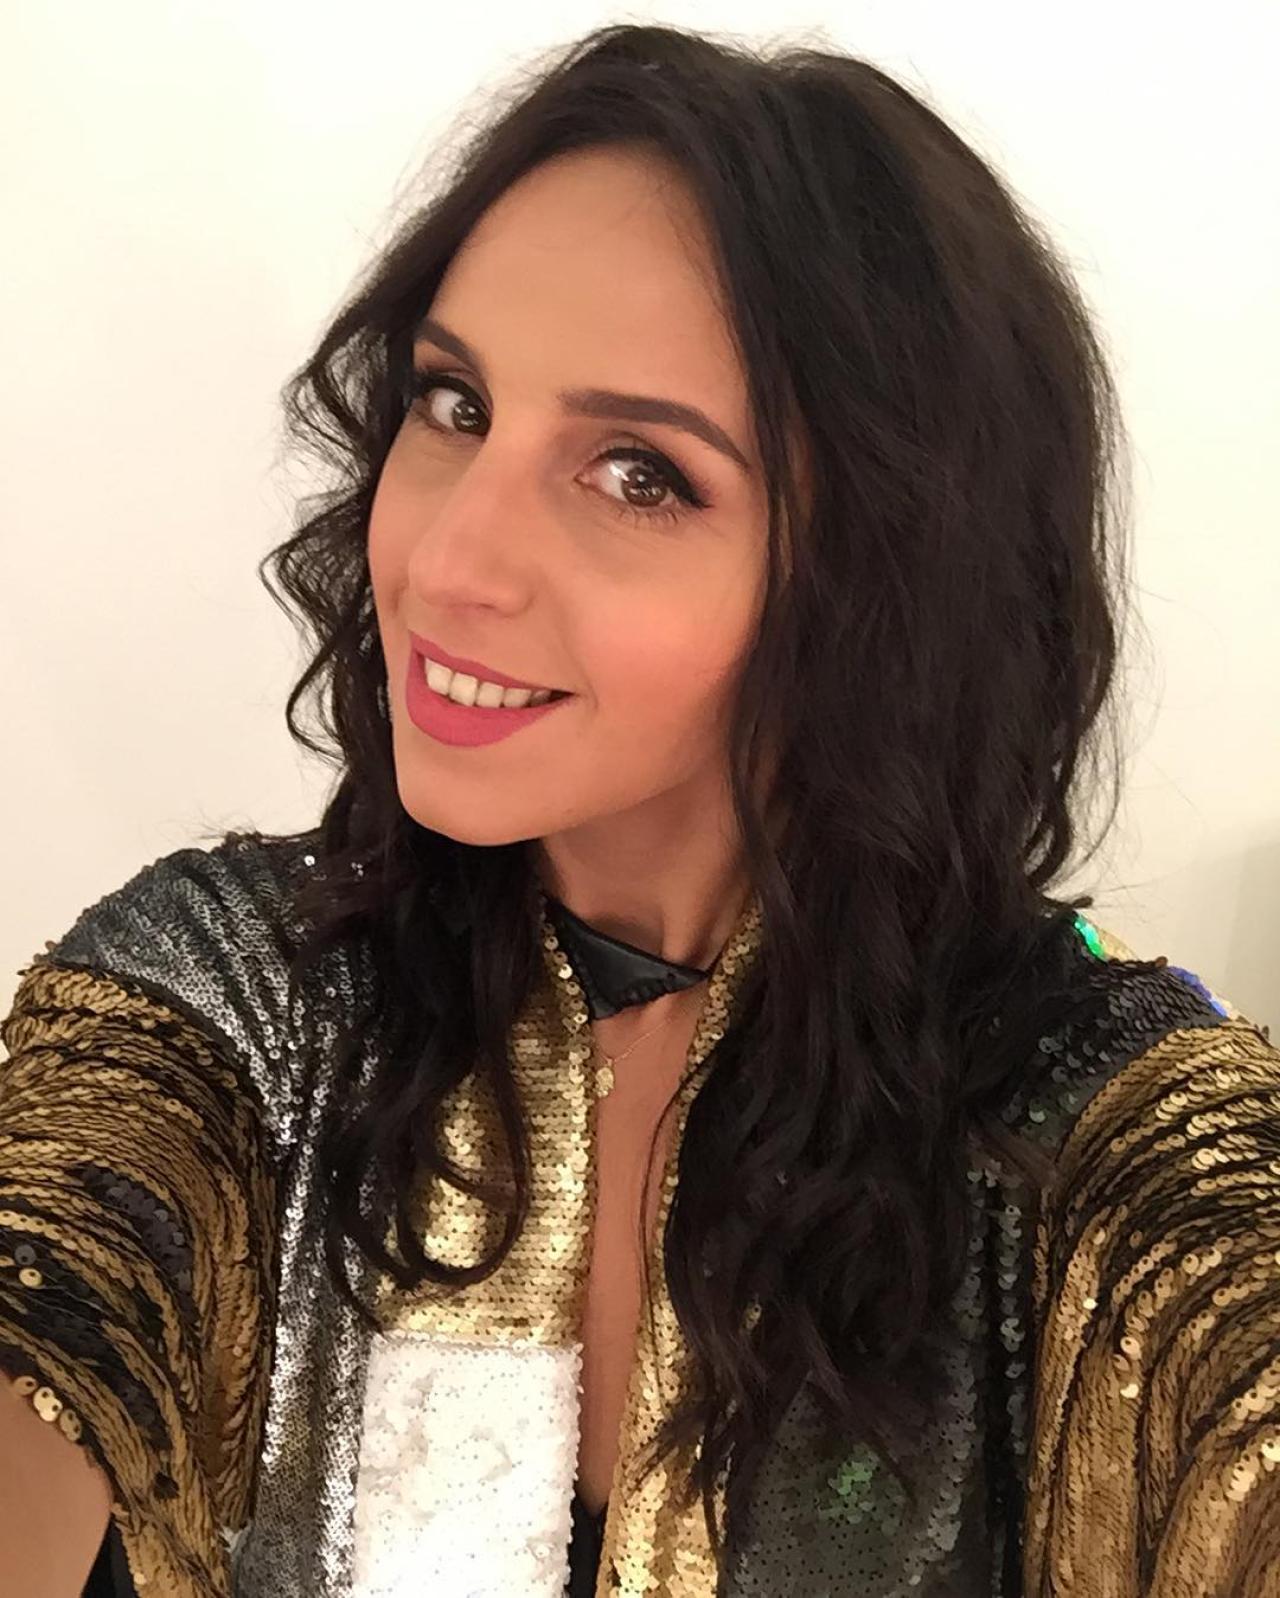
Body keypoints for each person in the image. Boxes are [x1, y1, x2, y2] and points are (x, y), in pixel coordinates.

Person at [2, 20, 1277, 1598]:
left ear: (877, 582)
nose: (448, 560)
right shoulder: (237, 998)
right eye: (455, 404)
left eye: (639, 475)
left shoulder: (1091, 1131)